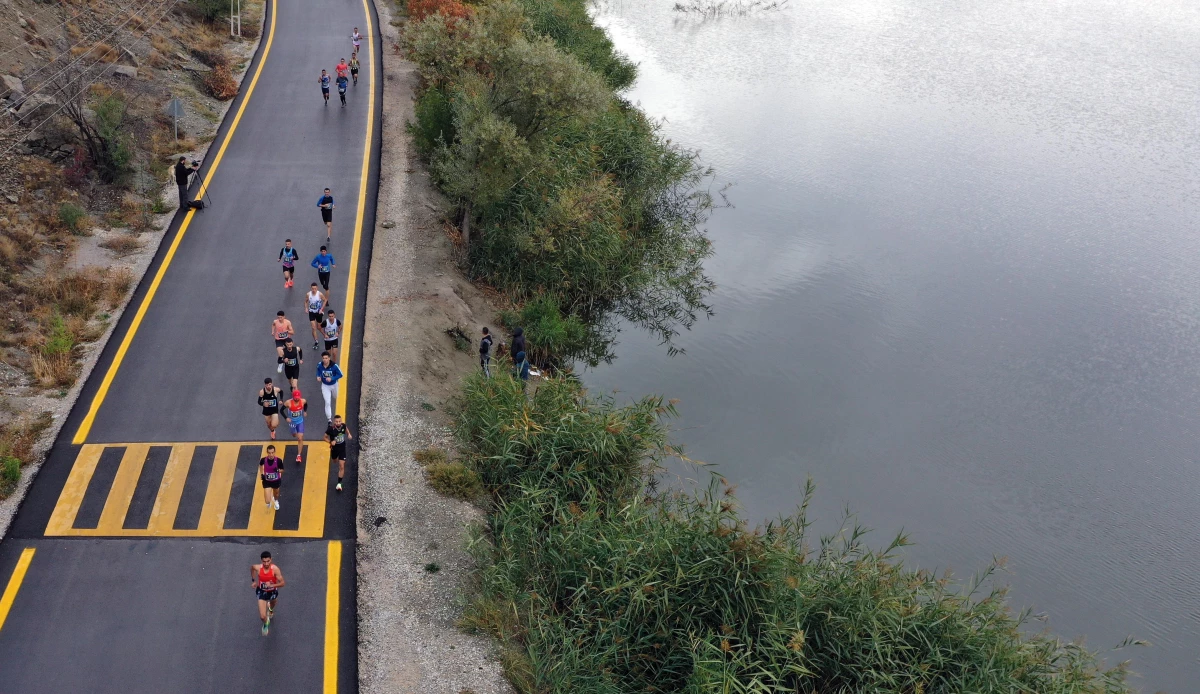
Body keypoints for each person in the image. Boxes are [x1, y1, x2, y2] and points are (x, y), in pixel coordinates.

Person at [252, 551, 285, 636]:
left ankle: (270, 609)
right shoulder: (258, 568)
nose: (266, 563)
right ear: (261, 561)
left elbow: (282, 583)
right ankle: (266, 624)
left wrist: (272, 584)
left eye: (268, 561)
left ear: (271, 560)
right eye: (264, 561)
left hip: (272, 591)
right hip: (262, 591)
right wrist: (253, 580)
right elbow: (252, 568)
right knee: (262, 616)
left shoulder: (275, 569)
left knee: (273, 603)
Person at [324, 414, 353, 492]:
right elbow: (324, 437)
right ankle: (334, 458)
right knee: (334, 460)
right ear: (334, 422)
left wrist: (349, 434)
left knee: (341, 466)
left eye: (339, 421)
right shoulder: (330, 429)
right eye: (336, 421)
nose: (338, 423)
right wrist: (330, 442)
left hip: (342, 448)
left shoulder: (343, 426)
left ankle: (339, 484)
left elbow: (346, 428)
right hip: (334, 449)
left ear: (341, 421)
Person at [316, 351, 343, 422]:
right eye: (323, 358)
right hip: (325, 386)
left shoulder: (334, 366)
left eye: (326, 358)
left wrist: (332, 378)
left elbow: (340, 374)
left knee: (335, 396)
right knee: (327, 402)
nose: (325, 360)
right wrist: (318, 376)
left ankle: (334, 396)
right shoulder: (320, 365)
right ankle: (329, 419)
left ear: (329, 358)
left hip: (334, 385)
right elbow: (318, 370)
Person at [283, 389, 307, 461]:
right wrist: (286, 418)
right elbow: (281, 410)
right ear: (293, 397)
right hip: (292, 423)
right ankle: (298, 435)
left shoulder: (303, 401)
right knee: (294, 435)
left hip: (300, 422)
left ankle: (299, 455)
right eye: (295, 397)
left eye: (298, 397)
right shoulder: (288, 403)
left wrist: (305, 411)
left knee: (300, 438)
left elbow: (306, 405)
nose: (297, 398)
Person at [259, 445, 283, 510]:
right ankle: (269, 501)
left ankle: (275, 500)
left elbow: (282, 470)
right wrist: (262, 474)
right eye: (269, 453)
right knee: (267, 501)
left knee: (276, 494)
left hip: (276, 481)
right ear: (267, 452)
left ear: (274, 452)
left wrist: (278, 470)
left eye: (272, 452)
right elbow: (261, 465)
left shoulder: (278, 460)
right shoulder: (263, 460)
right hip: (267, 481)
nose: (271, 454)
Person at [305, 283, 327, 349]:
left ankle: (325, 335)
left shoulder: (319, 294)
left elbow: (325, 300)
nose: (314, 290)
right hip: (311, 312)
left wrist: (322, 309)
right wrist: (306, 308)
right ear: (311, 288)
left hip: (318, 312)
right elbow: (306, 301)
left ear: (317, 288)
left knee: (319, 327)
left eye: (315, 288)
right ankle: (316, 341)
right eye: (312, 289)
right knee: (313, 327)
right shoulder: (308, 294)